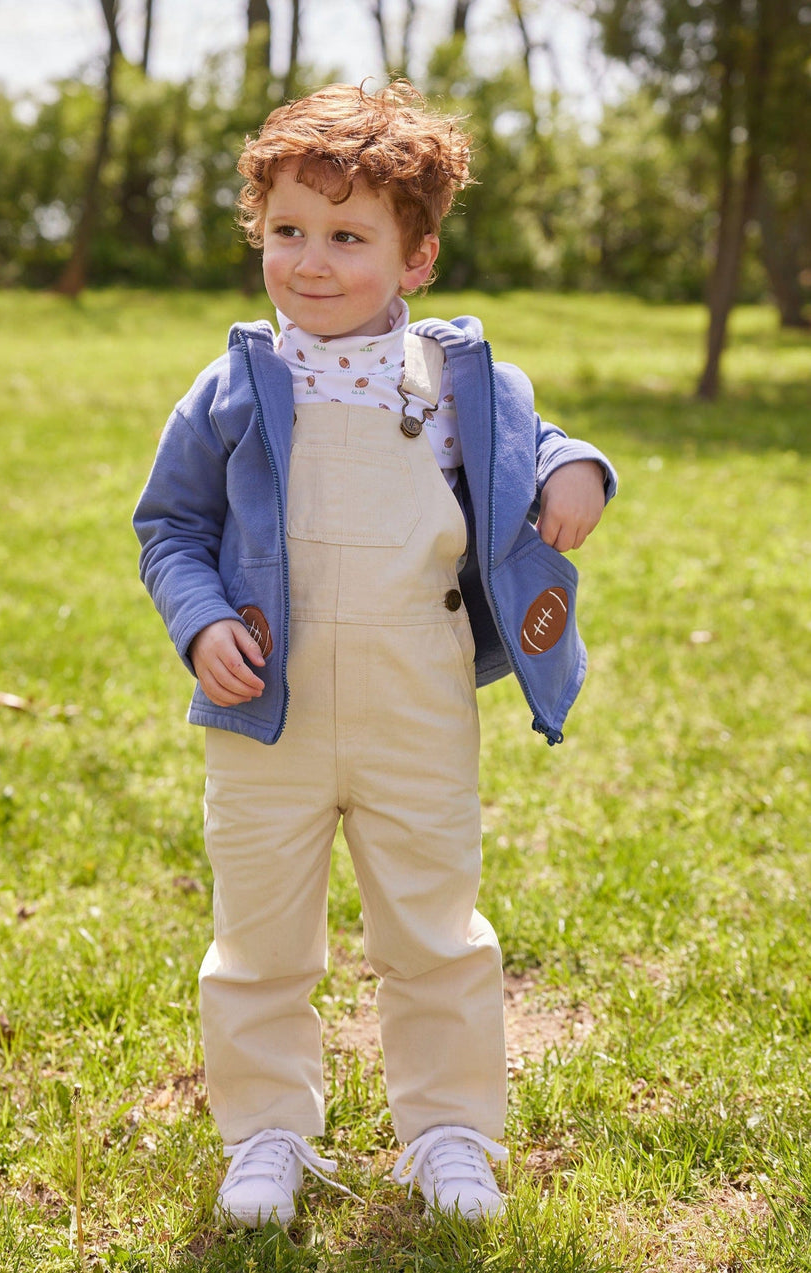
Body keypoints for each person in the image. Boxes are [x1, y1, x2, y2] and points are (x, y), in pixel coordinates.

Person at [133, 79, 616, 1229]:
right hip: (268, 711)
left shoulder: (460, 379)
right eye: (287, 230)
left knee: (434, 929)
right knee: (258, 937)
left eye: (348, 237)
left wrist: (578, 471)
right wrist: (201, 621)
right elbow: (170, 526)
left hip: (418, 703)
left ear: (418, 257)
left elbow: (541, 442)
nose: (310, 261)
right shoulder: (236, 383)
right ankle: (267, 1132)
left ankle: (449, 1129)